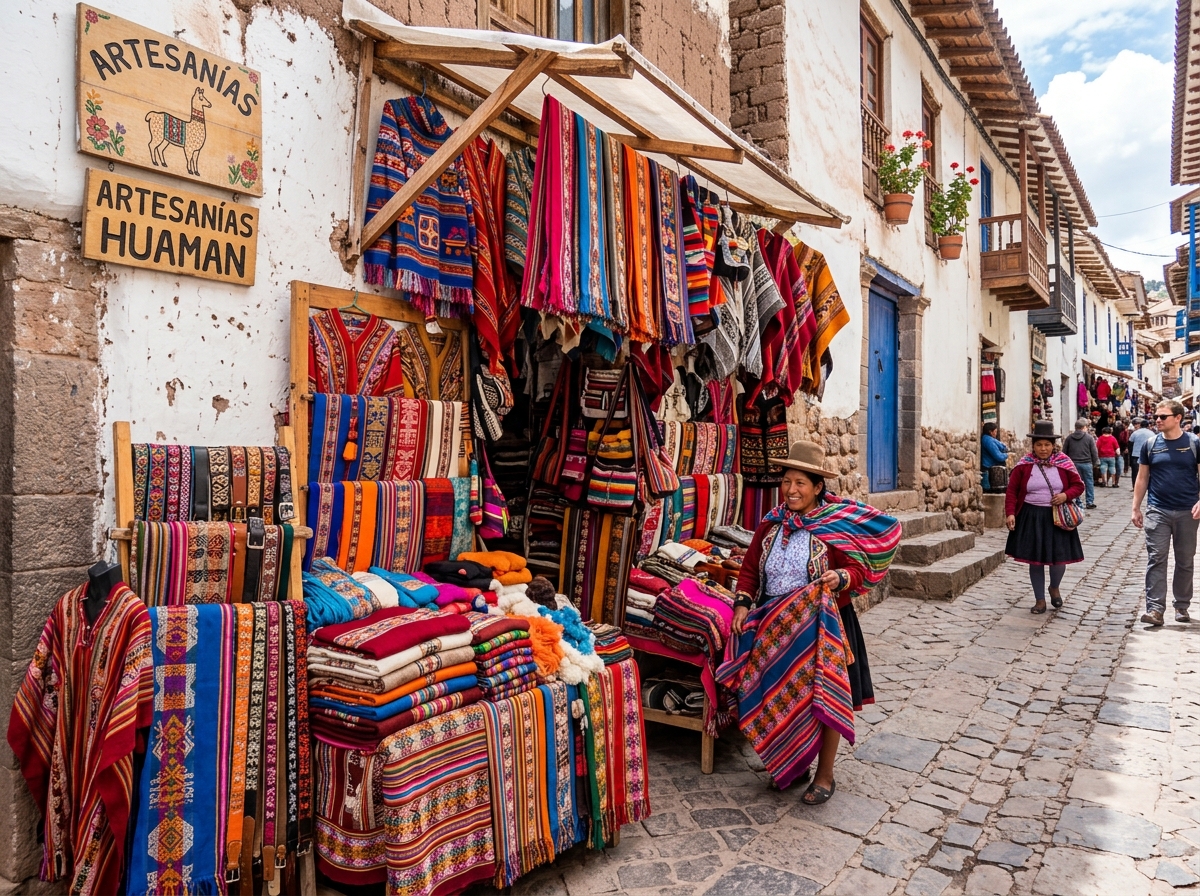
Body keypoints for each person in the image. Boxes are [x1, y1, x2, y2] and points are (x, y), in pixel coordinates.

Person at [721, 441, 900, 804]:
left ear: (818, 487)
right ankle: (794, 763)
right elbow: (751, 570)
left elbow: (857, 567)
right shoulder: (771, 525)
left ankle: (825, 774)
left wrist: (841, 578)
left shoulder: (833, 526)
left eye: (800, 483)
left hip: (825, 625)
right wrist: (742, 603)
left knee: (826, 695)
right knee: (784, 697)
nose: (791, 490)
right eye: (787, 481)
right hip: (777, 627)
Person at [1004, 421, 1086, 614]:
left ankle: (1054, 587)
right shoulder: (1024, 465)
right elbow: (1012, 491)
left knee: (1059, 560)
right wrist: (1010, 513)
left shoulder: (1064, 463)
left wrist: (1066, 495)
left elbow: (1079, 485)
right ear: (1033, 446)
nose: (1043, 449)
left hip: (1057, 517)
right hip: (1031, 516)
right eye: (1039, 445)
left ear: (1053, 446)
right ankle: (1039, 599)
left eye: (1047, 445)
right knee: (1035, 561)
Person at [1132, 400, 1200, 626]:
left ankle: (1181, 606)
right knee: (1156, 558)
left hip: (1188, 511)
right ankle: (1155, 609)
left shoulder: (1193, 443)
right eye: (1156, 417)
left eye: (1163, 417)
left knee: (1185, 560)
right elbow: (1142, 478)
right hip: (1157, 510)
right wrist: (1136, 507)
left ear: (1178, 418)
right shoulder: (1150, 444)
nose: (1157, 420)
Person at [1063, 419, 1099, 508]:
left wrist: (1064, 464)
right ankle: (1089, 501)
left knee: (1074, 483)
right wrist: (1096, 462)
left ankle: (1077, 500)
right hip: (1086, 463)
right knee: (1089, 482)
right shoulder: (1089, 438)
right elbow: (1094, 451)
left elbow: (1064, 452)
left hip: (1073, 464)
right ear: (1084, 427)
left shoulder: (1069, 438)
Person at [980, 422, 1009, 491]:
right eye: (995, 431)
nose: (996, 433)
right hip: (988, 469)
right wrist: (1007, 455)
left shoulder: (988, 439)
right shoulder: (988, 441)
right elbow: (998, 456)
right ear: (990, 432)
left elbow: (1002, 446)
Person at [1129, 417, 1153, 488]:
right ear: (1148, 425)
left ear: (1140, 425)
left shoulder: (1135, 433)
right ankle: (1146, 486)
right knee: (1147, 472)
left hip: (1136, 454)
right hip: (1148, 455)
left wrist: (1131, 453)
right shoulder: (1151, 433)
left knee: (1135, 472)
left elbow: (1130, 443)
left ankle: (1135, 486)